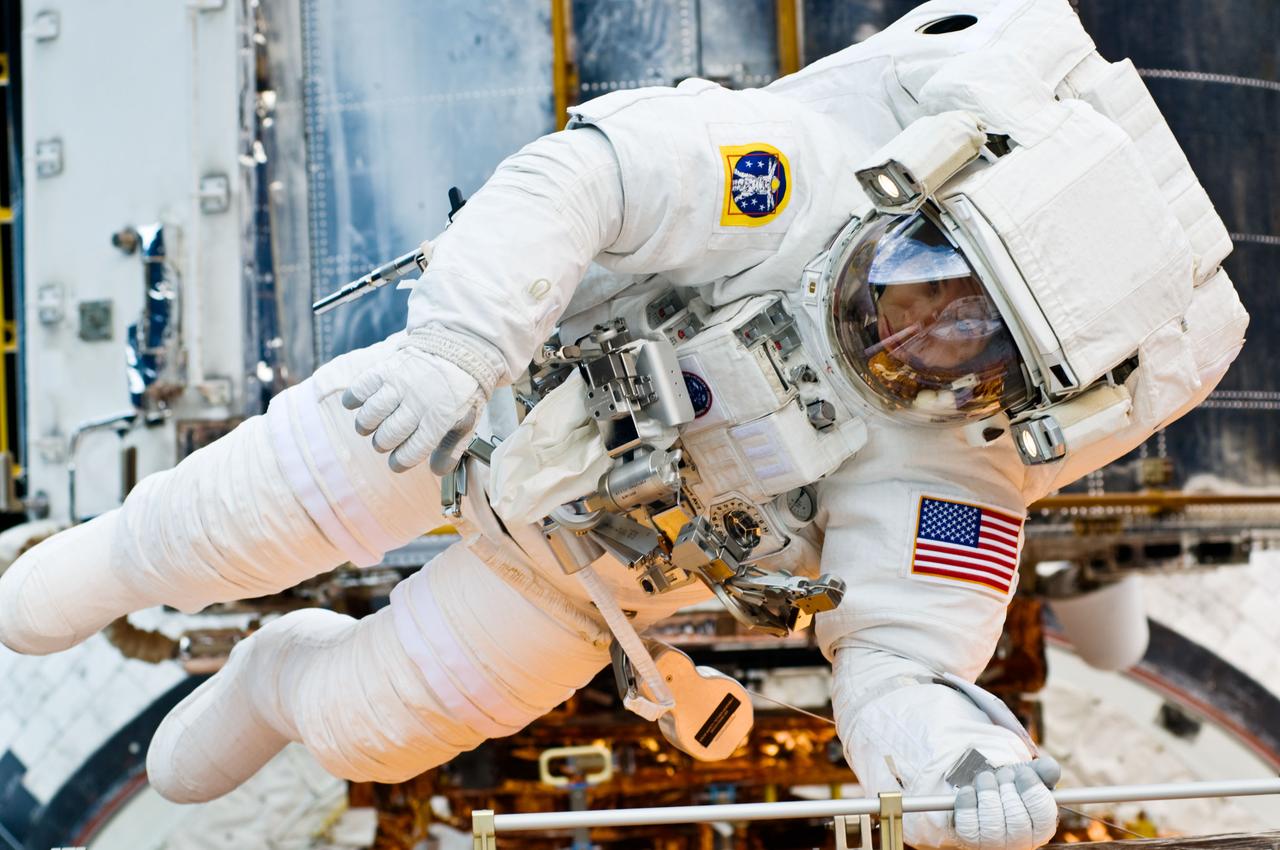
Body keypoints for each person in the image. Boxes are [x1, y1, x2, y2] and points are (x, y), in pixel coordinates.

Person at [0, 2, 1248, 849]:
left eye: (968, 342)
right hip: (476, 403)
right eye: (929, 280)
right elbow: (583, 177)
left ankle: (279, 679)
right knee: (224, 523)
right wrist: (450, 353)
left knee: (372, 732)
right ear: (915, 201)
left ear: (1019, 390)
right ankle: (100, 565)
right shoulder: (794, 173)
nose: (920, 333)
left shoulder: (957, 479)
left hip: (576, 586)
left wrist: (950, 766)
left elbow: (904, 666)